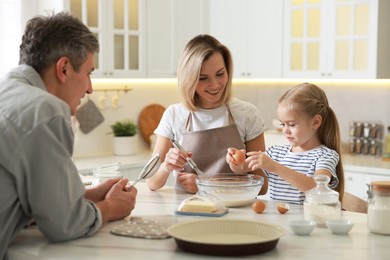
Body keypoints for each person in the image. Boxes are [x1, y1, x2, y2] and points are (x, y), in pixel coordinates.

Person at [0, 12, 137, 259]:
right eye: (89, 72)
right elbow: (64, 225)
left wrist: (83, 197)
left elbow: (30, 197)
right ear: (63, 68)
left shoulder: (8, 90)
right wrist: (110, 207)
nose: (89, 88)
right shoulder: (46, 110)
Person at [146, 34, 268, 194]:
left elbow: (262, 186)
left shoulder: (247, 114)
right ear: (188, 79)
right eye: (203, 78)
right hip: (187, 210)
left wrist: (206, 186)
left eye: (220, 74)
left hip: (235, 211)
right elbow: (151, 182)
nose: (215, 84)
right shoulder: (174, 115)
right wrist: (166, 167)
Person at [246, 83, 344, 204]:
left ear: (316, 122)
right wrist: (238, 163)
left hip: (307, 221)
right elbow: (248, 170)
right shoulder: (276, 152)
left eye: (291, 124)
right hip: (276, 220)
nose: (285, 130)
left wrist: (275, 167)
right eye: (282, 124)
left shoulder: (325, 156)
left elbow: (316, 188)